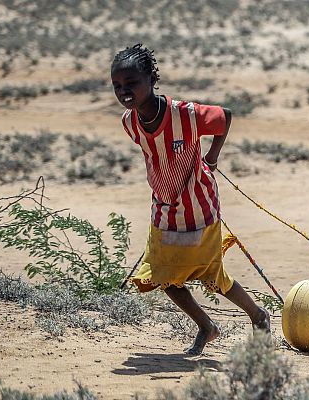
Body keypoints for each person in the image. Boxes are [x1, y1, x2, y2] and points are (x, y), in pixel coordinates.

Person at [110, 44, 269, 356]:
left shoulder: (185, 115)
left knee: (212, 275)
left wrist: (212, 155)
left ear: (151, 79)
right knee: (163, 275)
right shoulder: (129, 123)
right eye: (117, 86)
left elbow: (225, 117)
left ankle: (258, 315)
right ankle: (206, 327)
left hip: (199, 205)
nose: (124, 91)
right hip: (163, 207)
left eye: (132, 83)